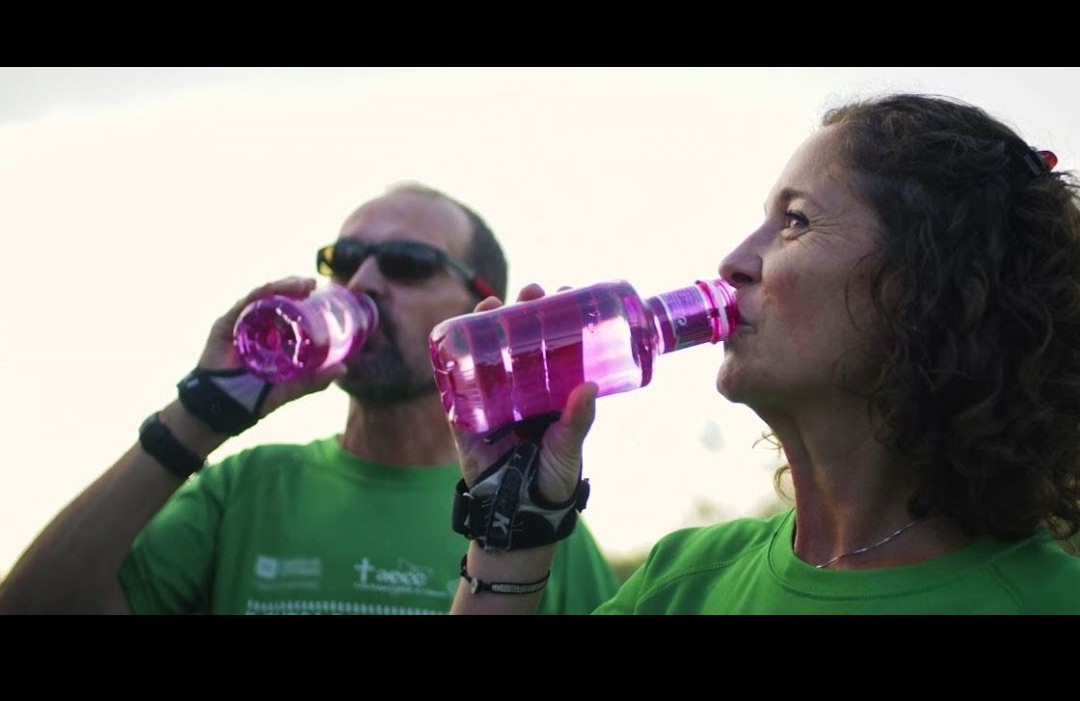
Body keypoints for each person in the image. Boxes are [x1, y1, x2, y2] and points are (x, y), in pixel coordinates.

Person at [448, 94, 1080, 614]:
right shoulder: (683, 584)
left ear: (927, 284)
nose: (733, 262)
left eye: (796, 222)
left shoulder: (1064, 606)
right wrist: (514, 522)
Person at [0, 182, 618, 615]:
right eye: (343, 260)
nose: (364, 282)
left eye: (407, 263)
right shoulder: (245, 489)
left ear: (481, 311)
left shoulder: (532, 522)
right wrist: (198, 416)